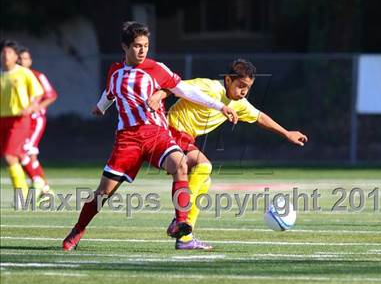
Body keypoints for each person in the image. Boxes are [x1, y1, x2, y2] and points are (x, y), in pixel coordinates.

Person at [62, 21, 238, 251]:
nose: (142, 50)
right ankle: (78, 229)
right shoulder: (115, 71)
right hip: (127, 140)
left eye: (145, 45)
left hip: (157, 135)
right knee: (103, 193)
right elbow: (110, 92)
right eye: (137, 46)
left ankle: (181, 221)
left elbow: (185, 90)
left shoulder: (157, 68)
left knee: (181, 164)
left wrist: (219, 106)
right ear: (124, 47)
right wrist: (100, 107)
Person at [146, 59, 308, 250]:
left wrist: (287, 133)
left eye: (248, 88)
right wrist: (159, 95)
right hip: (169, 130)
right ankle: (180, 221)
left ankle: (185, 237)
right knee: (204, 166)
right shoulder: (210, 87)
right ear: (229, 80)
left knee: (204, 180)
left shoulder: (239, 103)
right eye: (240, 85)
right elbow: (176, 87)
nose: (244, 91)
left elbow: (259, 117)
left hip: (185, 138)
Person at [1, 40, 44, 203]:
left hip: (19, 120)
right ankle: (41, 184)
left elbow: (38, 93)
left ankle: (22, 195)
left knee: (10, 156)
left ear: (15, 57)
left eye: (9, 53)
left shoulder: (24, 73)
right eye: (3, 53)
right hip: (2, 120)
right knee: (16, 156)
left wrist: (32, 106)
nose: (6, 56)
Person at [18, 47, 57, 201]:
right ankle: (45, 189)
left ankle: (39, 183)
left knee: (25, 150)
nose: (22, 61)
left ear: (30, 60)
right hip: (21, 121)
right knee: (28, 155)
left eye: (26, 58)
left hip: (35, 120)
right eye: (20, 58)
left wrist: (36, 108)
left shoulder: (37, 76)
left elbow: (51, 95)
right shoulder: (13, 76)